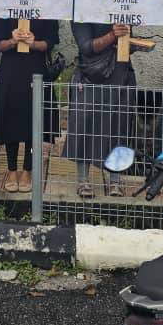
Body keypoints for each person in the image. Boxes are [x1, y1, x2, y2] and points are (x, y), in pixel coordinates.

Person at [64, 22, 136, 198]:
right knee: (84, 126)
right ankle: (83, 180)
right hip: (90, 75)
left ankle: (115, 180)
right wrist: (112, 35)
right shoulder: (83, 11)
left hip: (120, 73)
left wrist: (132, 42)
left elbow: (126, 44)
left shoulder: (123, 9)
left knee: (118, 125)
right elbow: (86, 47)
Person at [0, 18, 59, 193]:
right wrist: (13, 41)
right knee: (10, 121)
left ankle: (28, 169)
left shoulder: (46, 6)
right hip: (10, 69)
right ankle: (12, 169)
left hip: (36, 68)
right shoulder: (4, 8)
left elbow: (50, 42)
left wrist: (34, 43)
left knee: (34, 121)